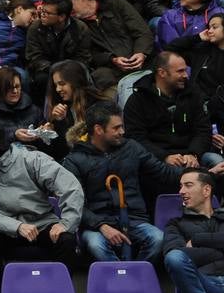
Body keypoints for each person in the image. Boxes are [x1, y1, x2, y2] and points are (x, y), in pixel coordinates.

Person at [0, 116, 83, 289]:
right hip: (4, 230)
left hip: (41, 223)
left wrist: (66, 223)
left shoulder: (30, 159)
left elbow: (71, 187)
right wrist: (16, 226)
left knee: (66, 239)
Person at [62, 101, 191, 263]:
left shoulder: (131, 148)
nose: (122, 132)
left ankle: (136, 272)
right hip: (97, 223)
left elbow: (163, 172)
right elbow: (73, 203)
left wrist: (202, 173)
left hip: (133, 219)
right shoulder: (74, 160)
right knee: (96, 245)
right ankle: (118, 276)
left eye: (122, 126)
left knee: (158, 239)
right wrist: (101, 225)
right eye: (116, 128)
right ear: (98, 130)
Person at [123, 51, 212, 169]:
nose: (186, 75)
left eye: (185, 70)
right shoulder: (138, 100)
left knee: (216, 161)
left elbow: (203, 130)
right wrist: (164, 156)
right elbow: (136, 137)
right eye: (180, 71)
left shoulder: (193, 94)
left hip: (191, 155)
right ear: (162, 73)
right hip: (155, 159)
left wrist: (193, 154)